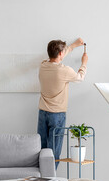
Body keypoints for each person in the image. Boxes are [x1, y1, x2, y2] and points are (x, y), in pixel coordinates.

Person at [37, 38, 88, 169]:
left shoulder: (43, 66)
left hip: (42, 112)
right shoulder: (64, 70)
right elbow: (80, 78)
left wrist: (73, 45)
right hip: (57, 115)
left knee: (42, 149)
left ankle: (42, 180)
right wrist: (84, 63)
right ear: (60, 54)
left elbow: (59, 55)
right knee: (54, 151)